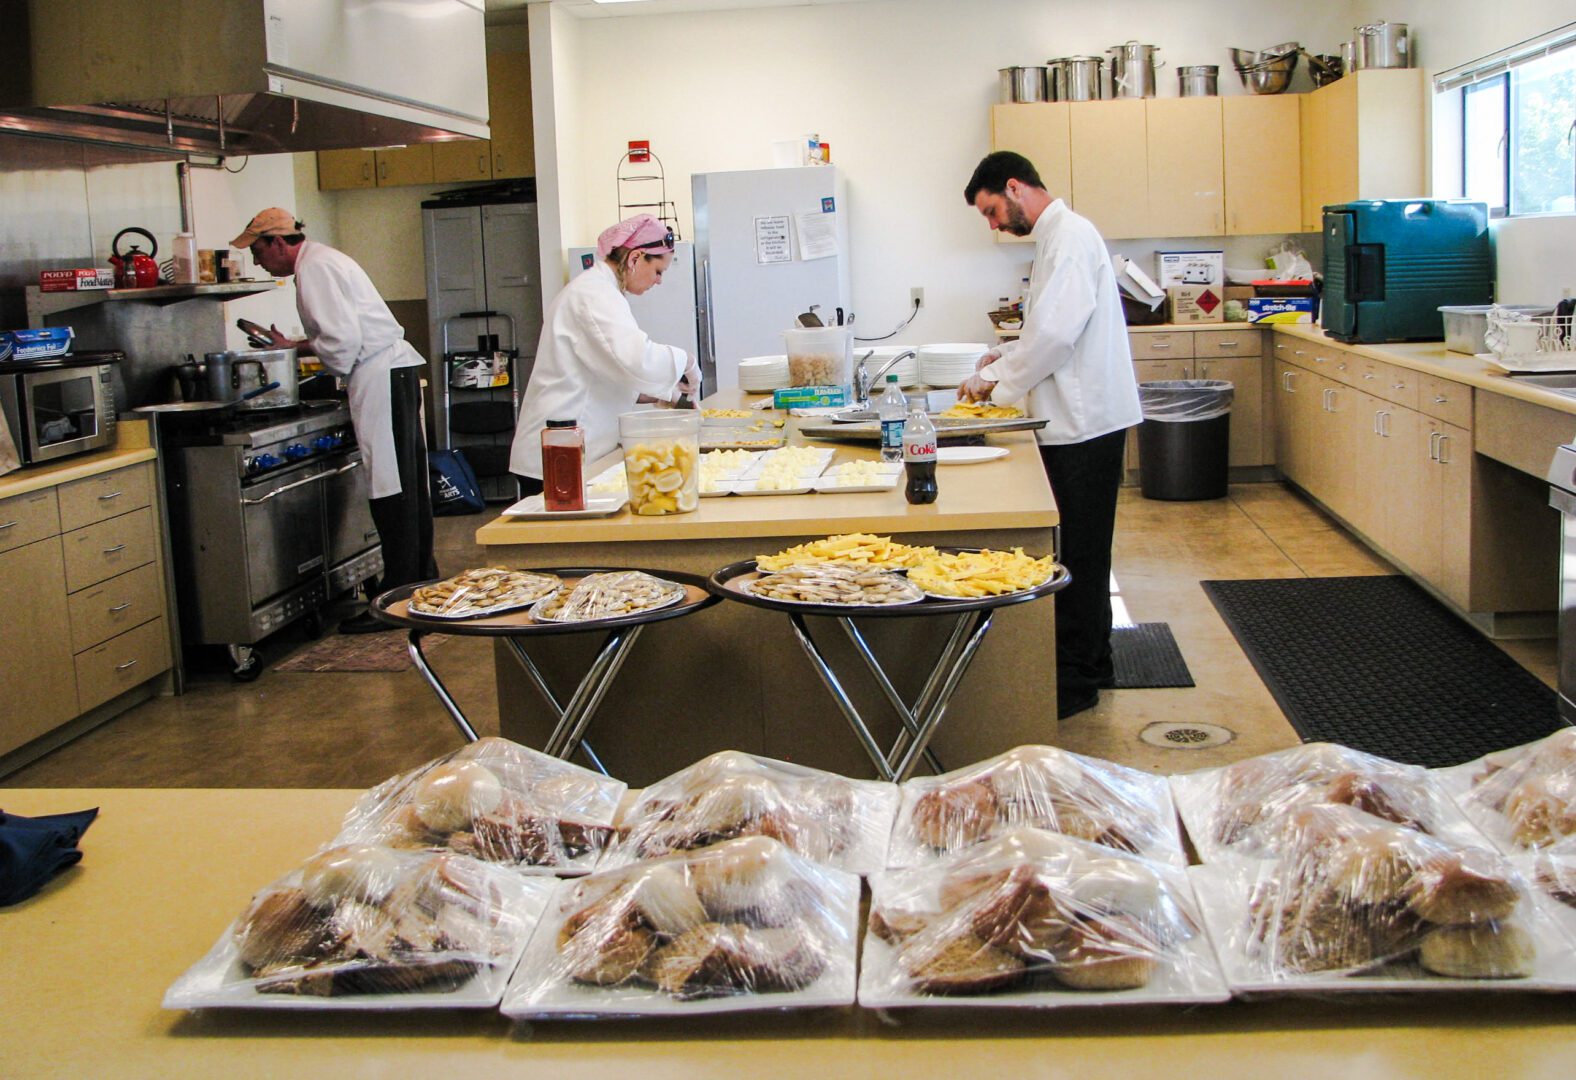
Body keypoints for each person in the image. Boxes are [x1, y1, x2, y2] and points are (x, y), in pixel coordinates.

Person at [958, 151, 1142, 719]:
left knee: (1080, 557)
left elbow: (1057, 337)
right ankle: (1096, 662)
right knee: (1084, 551)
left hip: (1084, 425)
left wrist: (992, 379)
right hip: (1081, 420)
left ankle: (1077, 682)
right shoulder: (1058, 238)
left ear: (1014, 187)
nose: (993, 224)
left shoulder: (1069, 238)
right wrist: (1006, 352)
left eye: (992, 211)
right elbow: (1048, 330)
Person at [233, 208, 436, 634]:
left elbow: (342, 345)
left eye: (256, 251)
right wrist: (295, 346)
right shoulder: (323, 260)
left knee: (391, 490)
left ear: (277, 242)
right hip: (392, 373)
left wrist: (308, 357)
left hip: (379, 376)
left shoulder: (314, 270)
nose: (256, 261)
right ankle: (420, 586)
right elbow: (342, 334)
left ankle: (399, 601)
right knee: (407, 487)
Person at [509, 214, 698, 494]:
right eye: (659, 271)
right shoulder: (593, 294)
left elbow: (604, 371)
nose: (659, 281)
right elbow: (636, 359)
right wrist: (687, 361)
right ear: (635, 258)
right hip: (559, 452)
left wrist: (663, 394)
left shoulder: (602, 291)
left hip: (572, 447)